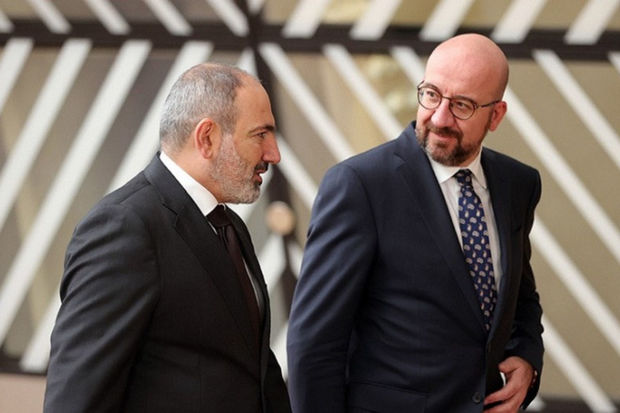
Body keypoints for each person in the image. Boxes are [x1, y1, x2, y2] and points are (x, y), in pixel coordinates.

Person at [287, 33, 544, 413]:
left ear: (496, 115)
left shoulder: (517, 184)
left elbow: (520, 297)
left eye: (462, 105)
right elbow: (314, 343)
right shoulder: (360, 186)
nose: (440, 117)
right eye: (431, 95)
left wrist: (526, 357)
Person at [44, 63, 291, 413]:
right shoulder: (124, 227)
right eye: (260, 134)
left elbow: (252, 369)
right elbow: (76, 399)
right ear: (207, 138)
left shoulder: (230, 225)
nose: (273, 154)